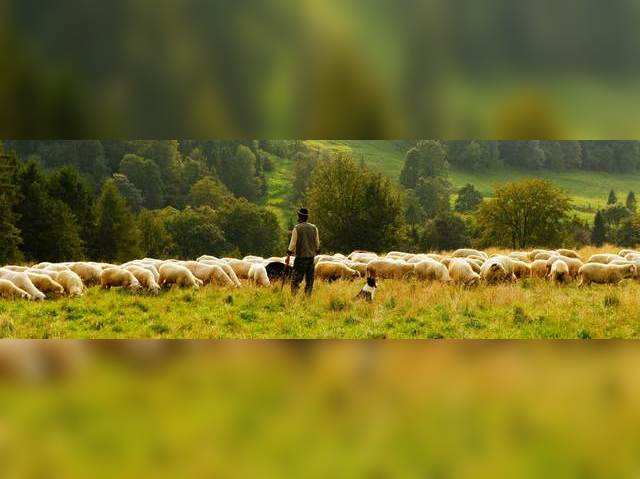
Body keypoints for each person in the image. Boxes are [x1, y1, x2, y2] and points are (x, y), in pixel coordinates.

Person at [286, 207, 320, 295]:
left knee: (295, 280)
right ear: (307, 217)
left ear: (300, 217)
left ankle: (294, 298)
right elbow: (317, 244)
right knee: (309, 281)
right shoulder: (314, 228)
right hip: (311, 259)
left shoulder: (297, 228)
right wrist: (315, 251)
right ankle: (307, 298)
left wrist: (288, 255)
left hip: (300, 259)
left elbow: (292, 244)